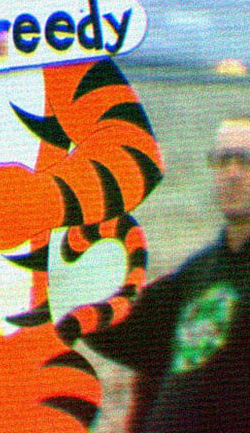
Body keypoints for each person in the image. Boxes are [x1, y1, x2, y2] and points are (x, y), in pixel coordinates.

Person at [86, 117, 250, 433]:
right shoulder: (199, 270)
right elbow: (131, 334)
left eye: (245, 160)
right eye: (222, 160)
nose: (232, 173)